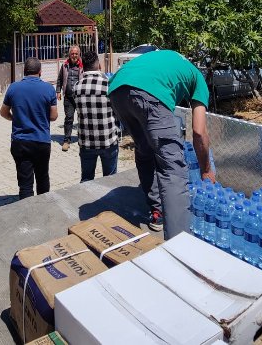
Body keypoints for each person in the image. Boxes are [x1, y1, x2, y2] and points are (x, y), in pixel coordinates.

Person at [108, 50, 215, 239]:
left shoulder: (170, 59)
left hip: (117, 89)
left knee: (144, 149)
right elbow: (199, 132)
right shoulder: (199, 79)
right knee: (173, 169)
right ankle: (179, 246)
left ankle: (157, 212)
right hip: (149, 91)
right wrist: (206, 169)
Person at [0, 57, 58, 199]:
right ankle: (44, 210)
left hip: (20, 142)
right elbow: (54, 116)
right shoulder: (49, 88)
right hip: (41, 141)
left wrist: (16, 118)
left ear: (24, 71)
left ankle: (27, 215)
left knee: (25, 183)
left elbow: (3, 112)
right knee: (43, 178)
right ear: (40, 72)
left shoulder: (13, 87)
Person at [73, 50, 120, 182]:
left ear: (83, 66)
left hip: (86, 142)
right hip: (108, 140)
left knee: (87, 180)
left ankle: (88, 202)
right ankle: (109, 203)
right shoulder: (108, 85)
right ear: (98, 65)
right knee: (110, 180)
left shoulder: (77, 87)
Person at [56, 45, 83, 152]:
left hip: (80, 97)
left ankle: (83, 138)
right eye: (72, 53)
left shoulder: (83, 65)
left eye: (76, 53)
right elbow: (59, 79)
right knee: (69, 118)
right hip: (68, 97)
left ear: (79, 54)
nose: (74, 55)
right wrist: (58, 91)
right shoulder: (64, 65)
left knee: (83, 118)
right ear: (69, 54)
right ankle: (67, 140)